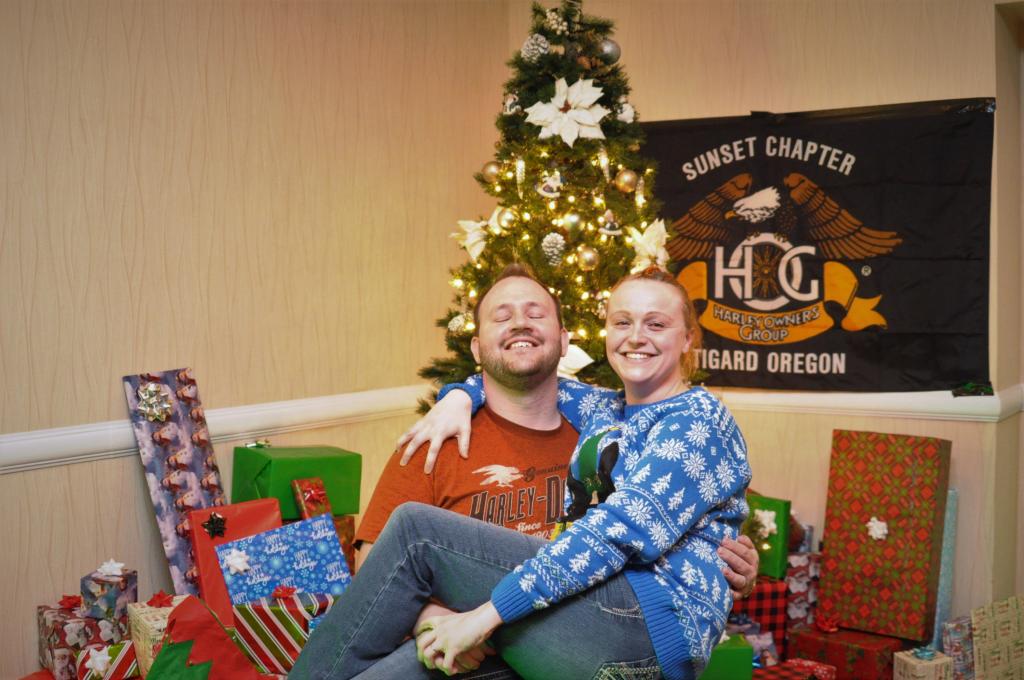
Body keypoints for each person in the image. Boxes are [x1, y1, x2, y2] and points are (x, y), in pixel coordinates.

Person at [293, 265, 752, 680]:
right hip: (546, 623)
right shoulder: (603, 412)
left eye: (657, 324)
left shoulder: (697, 419)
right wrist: (459, 394)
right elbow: (516, 369)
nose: (636, 337)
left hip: (632, 624)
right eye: (622, 322)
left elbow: (620, 531)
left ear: (688, 338)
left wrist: (483, 617)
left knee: (417, 533)